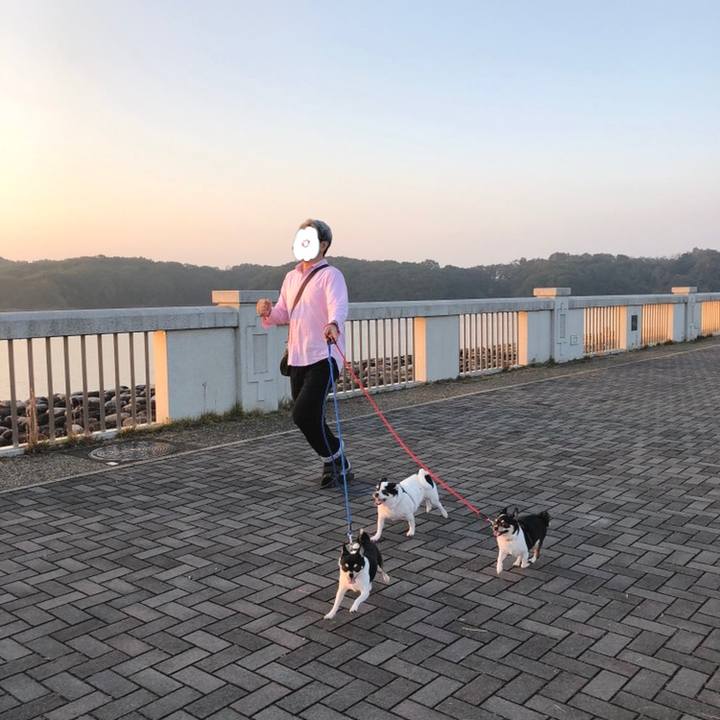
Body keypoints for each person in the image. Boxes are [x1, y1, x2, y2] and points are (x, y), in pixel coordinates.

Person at [256, 219, 353, 487]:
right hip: (297, 357)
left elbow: (338, 305)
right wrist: (267, 311)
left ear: (323, 245)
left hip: (324, 356)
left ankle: (336, 457)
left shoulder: (331, 275)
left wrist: (333, 323)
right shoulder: (291, 277)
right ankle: (335, 462)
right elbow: (283, 313)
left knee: (303, 414)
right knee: (310, 418)